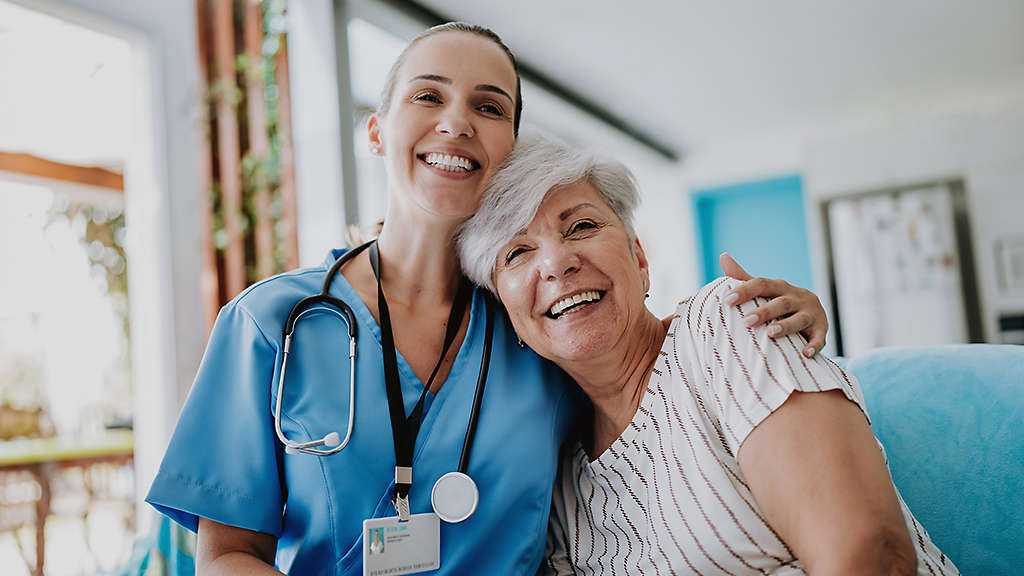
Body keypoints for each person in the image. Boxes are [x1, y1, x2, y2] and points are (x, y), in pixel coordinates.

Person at [146, 23, 832, 575]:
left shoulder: (537, 322)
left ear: (507, 148)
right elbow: (229, 554)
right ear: (378, 131)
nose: (456, 122)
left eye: (488, 106)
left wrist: (766, 319)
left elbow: (652, 367)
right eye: (428, 96)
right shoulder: (272, 323)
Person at [457, 133, 959, 575]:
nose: (557, 262)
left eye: (582, 226)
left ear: (639, 259)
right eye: (517, 252)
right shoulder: (559, 483)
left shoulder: (726, 325)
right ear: (505, 310)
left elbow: (871, 555)